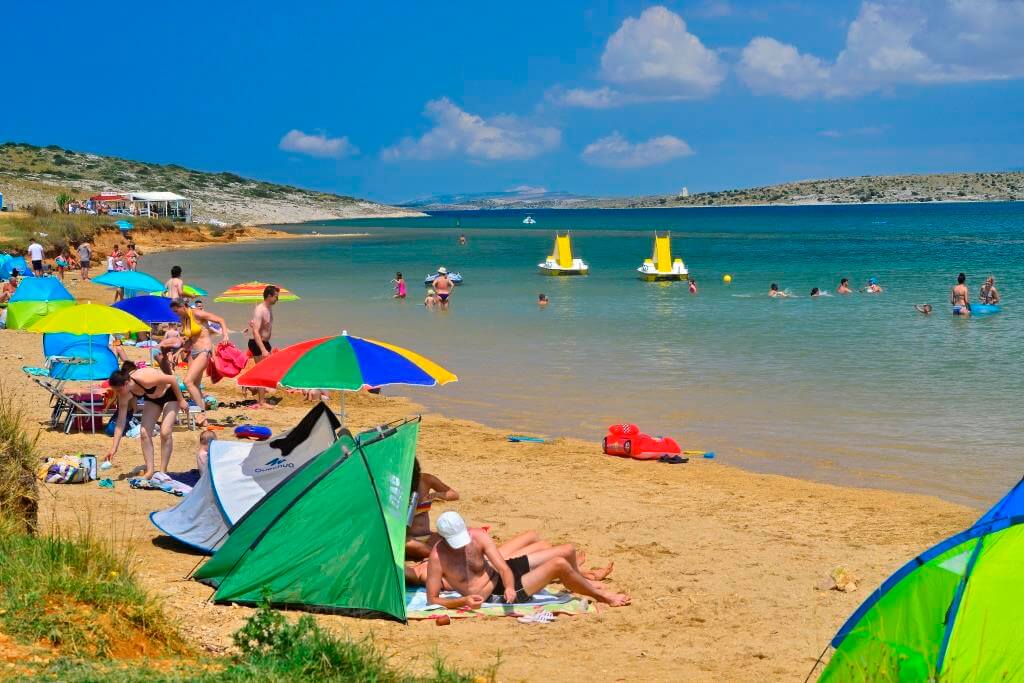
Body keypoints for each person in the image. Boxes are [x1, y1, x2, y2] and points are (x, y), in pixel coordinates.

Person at [425, 511, 630, 608]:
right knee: (558, 565)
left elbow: (503, 568)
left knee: (567, 550)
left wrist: (509, 586)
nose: (462, 544)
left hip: (504, 580)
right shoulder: (437, 558)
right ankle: (603, 597)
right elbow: (432, 599)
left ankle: (581, 582)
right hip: (492, 596)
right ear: (442, 537)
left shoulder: (477, 536)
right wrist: (463, 601)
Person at [407, 529, 614, 587]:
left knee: (533, 536)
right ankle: (584, 577)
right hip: (489, 569)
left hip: (483, 559)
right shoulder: (422, 575)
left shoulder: (424, 562)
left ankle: (575, 570)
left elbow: (420, 546)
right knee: (549, 550)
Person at [105, 361, 188, 479]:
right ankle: (150, 471)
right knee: (144, 432)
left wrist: (181, 400)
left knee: (165, 432)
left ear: (126, 383)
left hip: (171, 395)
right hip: (152, 399)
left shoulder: (144, 378)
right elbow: (120, 422)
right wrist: (114, 448)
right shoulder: (124, 393)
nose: (117, 393)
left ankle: (163, 471)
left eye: (118, 390)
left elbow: (172, 379)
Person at [167, 297, 229, 426]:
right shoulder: (183, 319)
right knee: (195, 385)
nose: (176, 314)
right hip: (193, 352)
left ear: (183, 307)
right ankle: (204, 421)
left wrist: (225, 336)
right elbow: (191, 340)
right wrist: (178, 352)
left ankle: (202, 412)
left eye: (176, 311)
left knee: (187, 382)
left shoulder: (197, 313)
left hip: (204, 351)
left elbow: (220, 320)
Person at [406, 459, 460, 560]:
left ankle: (435, 555)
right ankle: (441, 556)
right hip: (409, 540)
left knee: (454, 539)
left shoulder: (426, 480)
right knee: (408, 544)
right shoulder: (396, 485)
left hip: (428, 536)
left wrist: (437, 494)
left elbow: (454, 495)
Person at [248, 285, 279, 408]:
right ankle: (261, 401)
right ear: (269, 296)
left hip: (265, 343)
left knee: (266, 370)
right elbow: (255, 332)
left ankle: (253, 388)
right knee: (262, 372)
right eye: (276, 297)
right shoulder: (260, 310)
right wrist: (263, 349)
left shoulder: (268, 308)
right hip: (258, 344)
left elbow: (262, 326)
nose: (277, 299)